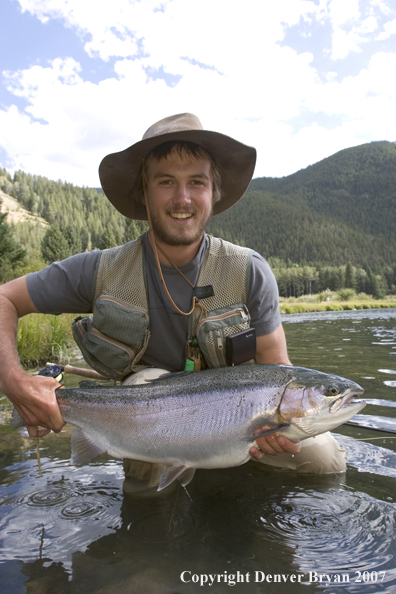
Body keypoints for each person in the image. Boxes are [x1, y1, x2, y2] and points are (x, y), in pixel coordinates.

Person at [0, 113, 345, 492]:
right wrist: (15, 382)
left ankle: (241, 490)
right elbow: (4, 298)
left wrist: (276, 429)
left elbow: (276, 368)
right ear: (144, 193)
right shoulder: (100, 270)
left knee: (325, 462)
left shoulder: (248, 271)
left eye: (196, 182)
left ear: (214, 192)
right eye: (166, 182)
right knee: (145, 393)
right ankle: (148, 535)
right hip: (147, 422)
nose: (182, 198)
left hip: (239, 425)